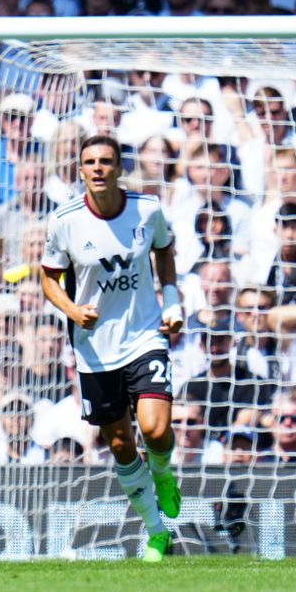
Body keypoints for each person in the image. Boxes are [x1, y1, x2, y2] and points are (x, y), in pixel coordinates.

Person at [40, 135, 184, 563]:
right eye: (90, 162)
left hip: (143, 336)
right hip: (94, 350)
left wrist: (172, 300)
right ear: (80, 170)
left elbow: (164, 253)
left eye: (106, 161)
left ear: (119, 168)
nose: (98, 168)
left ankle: (161, 473)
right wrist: (71, 308)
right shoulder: (64, 221)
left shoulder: (148, 209)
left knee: (155, 430)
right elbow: (48, 278)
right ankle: (157, 533)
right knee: (120, 443)